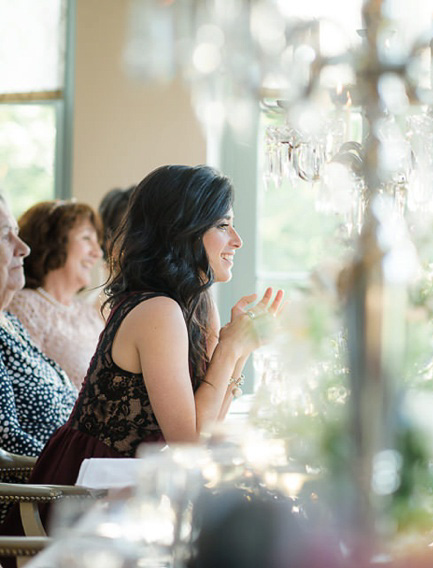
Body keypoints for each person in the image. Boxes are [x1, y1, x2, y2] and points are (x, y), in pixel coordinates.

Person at [7, 164, 283, 512]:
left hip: (130, 484)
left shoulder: (198, 303)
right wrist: (230, 350)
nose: (237, 240)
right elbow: (190, 444)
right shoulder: (157, 310)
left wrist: (240, 347)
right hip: (86, 494)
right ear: (182, 230)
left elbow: (207, 428)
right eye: (223, 226)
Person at [0, 195, 77, 456]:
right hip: (44, 489)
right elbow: (7, 438)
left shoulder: (10, 322)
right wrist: (76, 470)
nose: (23, 248)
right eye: (4, 236)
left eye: (17, 234)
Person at [7, 201, 105, 389]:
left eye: (98, 242)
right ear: (53, 243)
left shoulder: (88, 314)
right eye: (86, 238)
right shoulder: (24, 306)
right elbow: (28, 388)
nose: (97, 252)